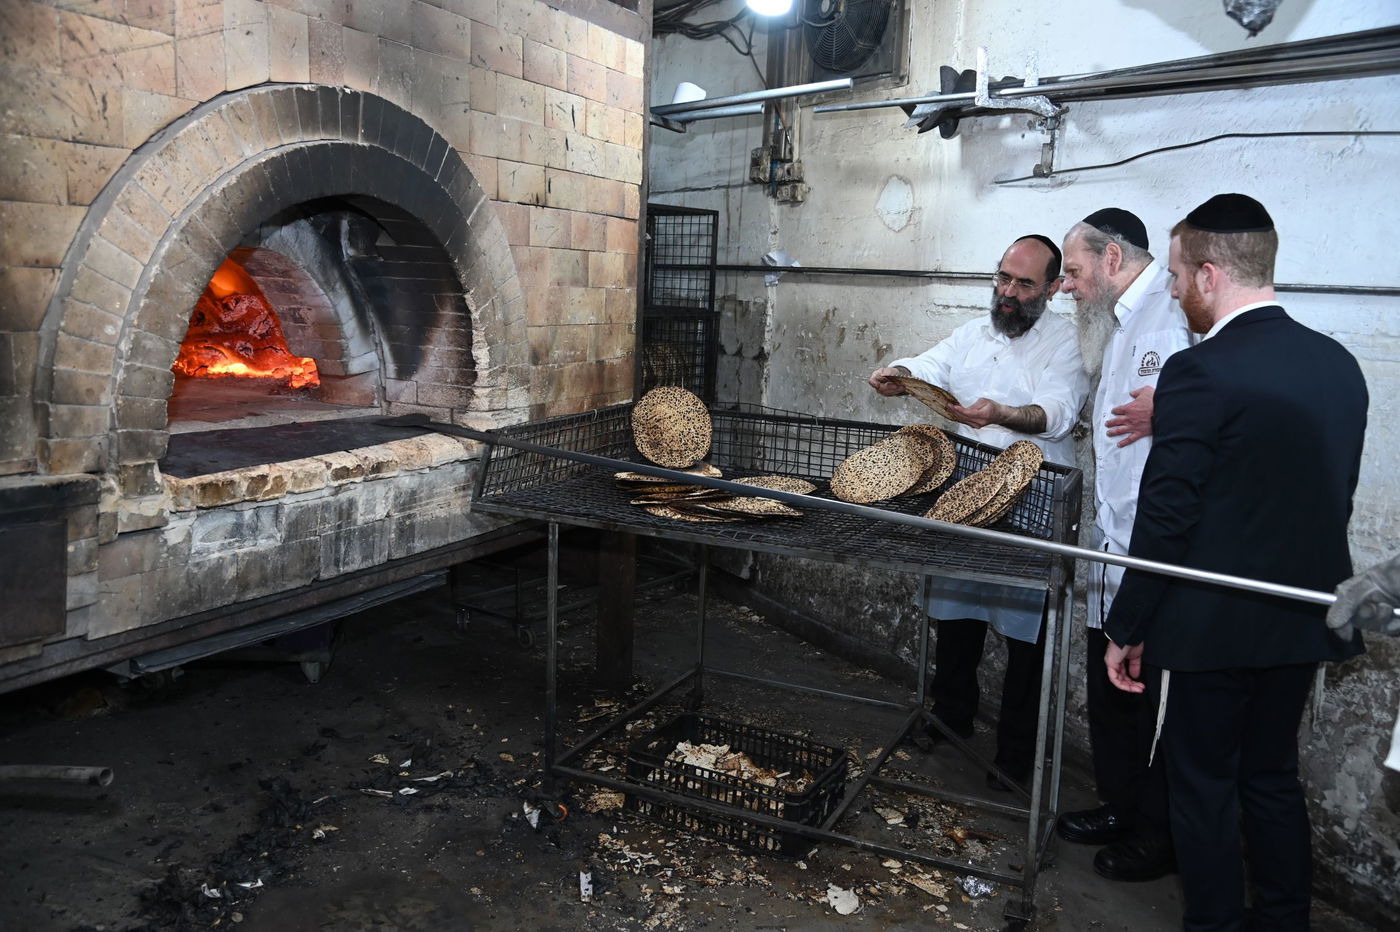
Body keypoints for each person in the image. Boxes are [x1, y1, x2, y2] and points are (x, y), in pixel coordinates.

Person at [1104, 194, 1367, 932]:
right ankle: (1283, 920)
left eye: (1181, 275)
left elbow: (1168, 513)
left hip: (1215, 623)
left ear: (1211, 274)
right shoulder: (1339, 364)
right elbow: (1330, 498)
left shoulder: (1199, 372)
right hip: (1301, 618)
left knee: (1203, 785)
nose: (1177, 290)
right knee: (1272, 777)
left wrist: (1128, 623)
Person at [869, 234, 1090, 790]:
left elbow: (1059, 414)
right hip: (968, 493)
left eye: (1024, 284)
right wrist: (900, 373)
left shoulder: (1067, 342)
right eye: (1003, 279)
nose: (1009, 293)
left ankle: (1015, 753)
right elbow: (933, 363)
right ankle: (951, 717)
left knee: (1025, 638)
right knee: (957, 615)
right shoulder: (976, 331)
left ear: (1054, 288)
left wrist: (1001, 414)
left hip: (1032, 497)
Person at [1054, 209, 1193, 882]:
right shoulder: (1119, 323)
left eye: (1074, 272)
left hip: (1152, 550)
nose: (1065, 287)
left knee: (1150, 699)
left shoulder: (1167, 317)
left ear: (1112, 260)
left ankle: (1154, 833)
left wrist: (1173, 405)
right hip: (1114, 543)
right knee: (1113, 694)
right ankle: (1121, 805)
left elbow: (1191, 420)